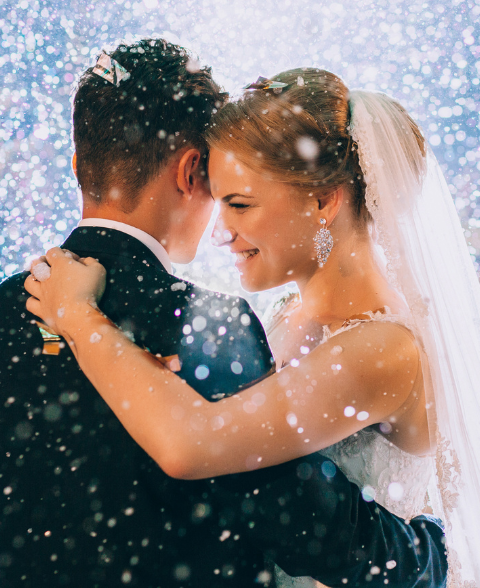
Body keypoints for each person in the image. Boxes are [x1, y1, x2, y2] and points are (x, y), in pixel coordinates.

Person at [22, 65, 455, 586]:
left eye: (240, 204)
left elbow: (193, 444)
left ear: (323, 199)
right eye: (219, 201)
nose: (221, 233)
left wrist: (78, 316)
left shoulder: (383, 350)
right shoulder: (284, 317)